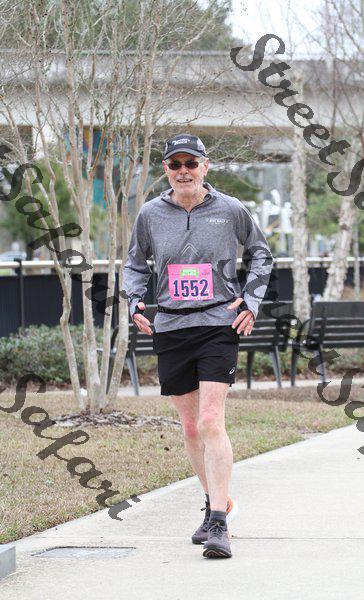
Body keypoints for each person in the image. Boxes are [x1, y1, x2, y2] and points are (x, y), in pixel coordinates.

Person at [122, 133, 274, 559]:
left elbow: (261, 255)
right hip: (171, 327)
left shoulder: (230, 209)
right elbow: (135, 263)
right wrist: (134, 301)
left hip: (217, 324)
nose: (184, 171)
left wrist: (252, 301)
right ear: (166, 170)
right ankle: (215, 504)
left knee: (210, 420)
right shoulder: (151, 214)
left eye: (191, 163)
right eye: (176, 164)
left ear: (206, 167)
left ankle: (220, 525)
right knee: (190, 429)